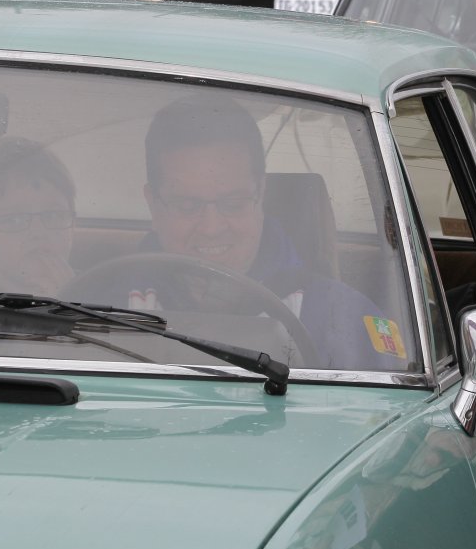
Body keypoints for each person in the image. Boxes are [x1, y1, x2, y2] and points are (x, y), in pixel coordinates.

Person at [140, 93, 398, 368]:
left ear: (261, 194)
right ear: (153, 205)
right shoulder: (107, 298)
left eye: (234, 203)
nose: (211, 228)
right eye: (187, 205)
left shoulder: (346, 319)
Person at [0, 136, 77, 294]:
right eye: (14, 220)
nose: (38, 232)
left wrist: (72, 298)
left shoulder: (98, 290)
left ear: (73, 227)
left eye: (53, 216)